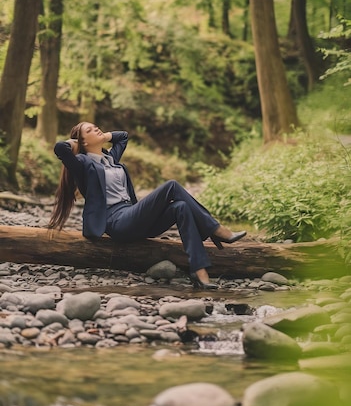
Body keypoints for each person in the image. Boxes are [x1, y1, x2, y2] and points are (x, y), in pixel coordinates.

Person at [48, 122, 246, 290]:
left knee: (180, 208)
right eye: (90, 130)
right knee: (172, 186)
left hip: (133, 216)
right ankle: (216, 229)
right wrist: (77, 145)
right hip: (117, 222)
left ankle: (199, 270)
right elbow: (60, 148)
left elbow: (123, 137)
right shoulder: (83, 164)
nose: (97, 129)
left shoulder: (111, 159)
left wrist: (102, 136)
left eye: (96, 126)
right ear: (82, 142)